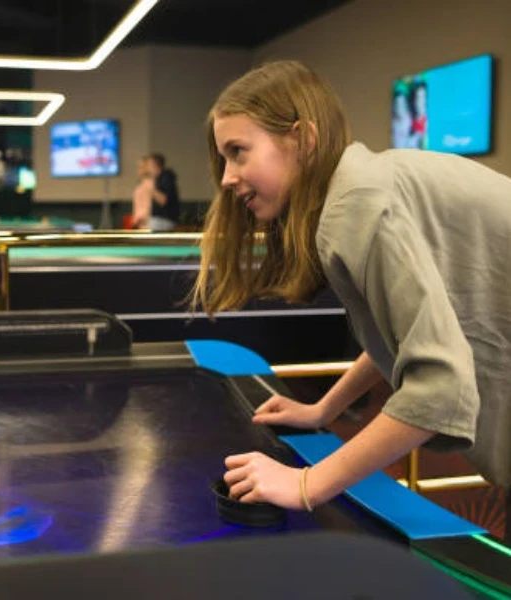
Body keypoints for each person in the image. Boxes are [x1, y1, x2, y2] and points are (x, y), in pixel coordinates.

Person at [193, 60, 510, 542]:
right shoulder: (358, 190)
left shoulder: (357, 206)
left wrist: (305, 484)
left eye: (238, 152)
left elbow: (440, 385)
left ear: (300, 139)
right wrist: (325, 409)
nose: (228, 178)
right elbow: (405, 335)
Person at [146, 153, 180, 231]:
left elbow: (163, 200)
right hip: (159, 219)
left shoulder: (166, 178)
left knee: (152, 223)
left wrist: (151, 189)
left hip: (164, 220)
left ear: (155, 165)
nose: (147, 168)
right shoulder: (158, 179)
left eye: (148, 164)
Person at [130, 156, 154, 229]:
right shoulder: (141, 184)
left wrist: (140, 218)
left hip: (145, 222)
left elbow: (148, 204)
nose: (139, 170)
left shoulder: (150, 184)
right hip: (139, 223)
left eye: (142, 167)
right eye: (139, 167)